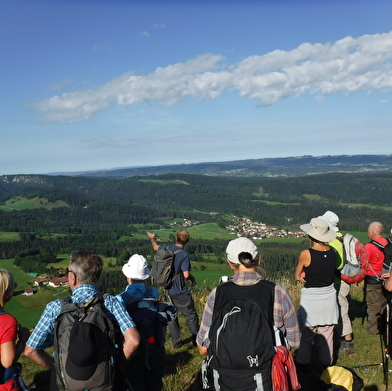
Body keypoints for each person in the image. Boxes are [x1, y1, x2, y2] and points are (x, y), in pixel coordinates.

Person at [24, 250, 140, 389]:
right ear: (96, 278)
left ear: (72, 278)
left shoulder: (55, 308)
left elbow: (31, 351)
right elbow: (133, 340)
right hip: (104, 383)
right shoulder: (110, 302)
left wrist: (58, 368)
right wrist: (114, 363)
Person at [197, 237, 300, 391]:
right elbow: (294, 342)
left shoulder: (217, 294)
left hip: (223, 379)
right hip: (266, 377)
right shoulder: (277, 292)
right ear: (258, 260)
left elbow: (202, 348)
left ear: (230, 263)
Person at [116, 254, 176, 391]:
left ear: (128, 276)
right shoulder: (153, 293)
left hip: (132, 355)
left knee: (134, 385)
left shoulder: (120, 300)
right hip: (155, 350)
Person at [295, 217, 339, 371]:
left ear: (310, 235)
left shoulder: (306, 254)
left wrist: (303, 275)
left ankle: (302, 362)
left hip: (311, 297)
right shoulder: (333, 253)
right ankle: (327, 364)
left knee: (306, 333)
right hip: (328, 295)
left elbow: (297, 275)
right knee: (327, 331)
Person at [147, 230, 199, 348]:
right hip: (180, 290)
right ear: (187, 241)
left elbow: (155, 247)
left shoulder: (167, 248)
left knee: (172, 315)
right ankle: (196, 340)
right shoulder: (184, 254)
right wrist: (192, 278)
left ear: (176, 238)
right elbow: (185, 274)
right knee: (191, 315)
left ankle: (177, 343)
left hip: (167, 289)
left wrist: (152, 238)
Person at [318, 211, 355, 356]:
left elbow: (332, 264)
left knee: (341, 311)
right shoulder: (340, 237)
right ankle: (340, 337)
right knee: (340, 309)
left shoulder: (332, 241)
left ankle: (348, 342)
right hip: (342, 279)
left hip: (338, 280)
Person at [0, 270, 30, 391]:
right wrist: (22, 340)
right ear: (6, 291)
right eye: (14, 286)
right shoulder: (7, 321)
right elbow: (7, 362)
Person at [364, 221, 388, 334]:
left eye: (368, 230)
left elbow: (364, 264)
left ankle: (373, 329)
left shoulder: (369, 246)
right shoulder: (388, 243)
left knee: (373, 304)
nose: (367, 232)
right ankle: (384, 325)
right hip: (386, 278)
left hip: (373, 278)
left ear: (373, 232)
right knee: (384, 302)